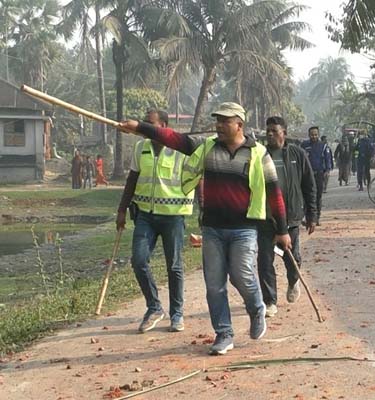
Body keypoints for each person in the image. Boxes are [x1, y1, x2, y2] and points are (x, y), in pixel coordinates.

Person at [119, 102, 291, 356]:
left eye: (225, 121)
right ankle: (224, 333)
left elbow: (274, 194)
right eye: (217, 121)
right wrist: (141, 128)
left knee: (241, 275)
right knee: (214, 285)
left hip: (243, 229)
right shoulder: (207, 147)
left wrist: (283, 229)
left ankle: (256, 308)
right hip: (213, 228)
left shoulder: (259, 154)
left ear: (239, 125)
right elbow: (174, 139)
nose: (219, 126)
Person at [116, 109, 195, 333]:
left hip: (173, 215)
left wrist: (203, 207)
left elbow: (196, 179)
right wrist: (122, 209)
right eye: (143, 123)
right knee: (138, 260)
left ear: (164, 126)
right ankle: (154, 307)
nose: (145, 128)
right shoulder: (141, 148)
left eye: (149, 124)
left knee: (174, 266)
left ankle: (177, 314)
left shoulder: (180, 149)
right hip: (145, 215)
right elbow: (132, 179)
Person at [257, 116, 317, 318]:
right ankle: (270, 301)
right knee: (265, 261)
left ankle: (293, 281)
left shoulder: (297, 154)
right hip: (266, 218)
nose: (270, 134)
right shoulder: (260, 155)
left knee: (292, 259)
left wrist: (312, 214)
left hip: (291, 218)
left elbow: (309, 185)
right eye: (268, 130)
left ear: (284, 132)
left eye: (274, 130)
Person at [301, 126, 332, 225]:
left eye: (315, 134)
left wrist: (327, 170)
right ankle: (308, 218)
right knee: (306, 196)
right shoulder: (304, 145)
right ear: (309, 135)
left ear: (318, 135)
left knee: (317, 196)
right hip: (306, 175)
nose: (313, 136)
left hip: (319, 174)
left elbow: (327, 159)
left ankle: (316, 218)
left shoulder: (323, 146)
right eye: (312, 135)